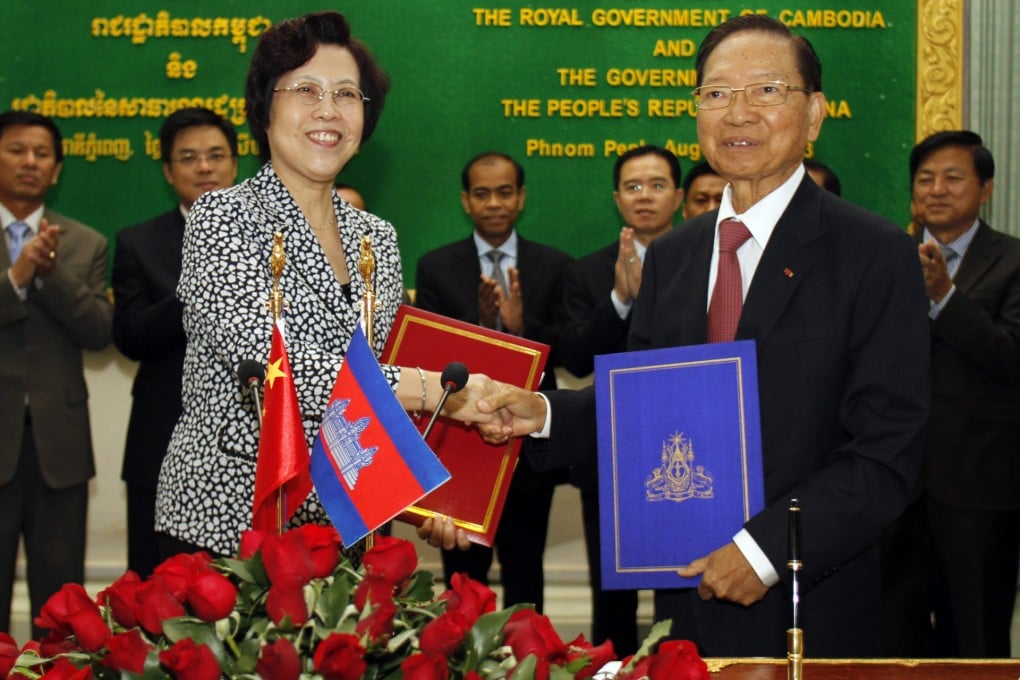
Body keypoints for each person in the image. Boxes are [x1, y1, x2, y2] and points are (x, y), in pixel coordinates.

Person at [458, 14, 930, 658]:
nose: (738, 113)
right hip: (683, 607)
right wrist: (540, 414)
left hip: (809, 609)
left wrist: (764, 552)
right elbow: (649, 411)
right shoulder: (675, 257)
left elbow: (885, 453)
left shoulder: (874, 253)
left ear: (814, 115)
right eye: (716, 94)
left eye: (766, 91)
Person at [154, 11, 492, 561]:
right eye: (306, 89)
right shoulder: (221, 216)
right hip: (232, 527)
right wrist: (439, 393)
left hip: (349, 524)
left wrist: (442, 500)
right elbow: (272, 361)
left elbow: (374, 390)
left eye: (348, 95)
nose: (328, 111)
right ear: (265, 107)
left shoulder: (376, 237)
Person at [415, 151, 572, 612]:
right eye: (482, 193)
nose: (494, 203)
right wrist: (479, 326)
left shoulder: (555, 265)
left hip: (529, 450)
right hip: (459, 446)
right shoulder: (436, 266)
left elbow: (570, 354)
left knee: (527, 575)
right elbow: (425, 358)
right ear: (466, 201)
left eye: (505, 192)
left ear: (521, 197)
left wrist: (522, 330)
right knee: (464, 582)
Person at [884, 130, 1020, 658]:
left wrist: (944, 296)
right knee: (895, 641)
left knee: (976, 639)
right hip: (894, 486)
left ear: (985, 189)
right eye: (925, 179)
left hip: (980, 490)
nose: (937, 189)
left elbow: (1011, 357)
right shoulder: (885, 258)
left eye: (953, 178)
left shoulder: (1012, 262)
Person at [557, 145, 683, 655]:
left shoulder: (709, 260)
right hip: (613, 447)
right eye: (633, 187)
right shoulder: (586, 272)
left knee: (684, 582)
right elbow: (578, 359)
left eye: (656, 185)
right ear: (616, 199)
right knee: (614, 591)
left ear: (676, 195)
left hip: (684, 446)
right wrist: (621, 301)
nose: (645, 196)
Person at [113, 107, 239, 578]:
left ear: (234, 162)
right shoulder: (138, 242)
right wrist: (189, 292)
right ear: (169, 172)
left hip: (256, 444)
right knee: (156, 589)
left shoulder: (276, 237)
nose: (203, 167)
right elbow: (129, 336)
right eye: (188, 158)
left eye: (215, 156)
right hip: (162, 441)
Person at [0, 111, 113, 636]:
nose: (29, 162)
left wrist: (51, 274)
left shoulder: (86, 243)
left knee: (59, 607)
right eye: (16, 150)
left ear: (57, 167)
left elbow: (97, 332)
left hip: (60, 449)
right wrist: (17, 276)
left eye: (41, 154)